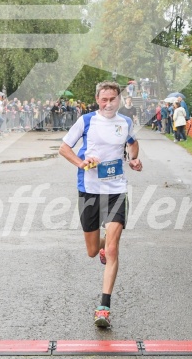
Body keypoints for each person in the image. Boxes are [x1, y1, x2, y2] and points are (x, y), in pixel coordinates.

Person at [59, 81, 142, 328]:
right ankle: (103, 245)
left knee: (114, 248)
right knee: (93, 250)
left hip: (116, 189)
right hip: (89, 190)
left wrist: (134, 160)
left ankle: (104, 307)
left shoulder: (125, 122)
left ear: (119, 99)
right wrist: (81, 162)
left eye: (113, 99)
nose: (108, 104)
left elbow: (133, 143)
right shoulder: (86, 121)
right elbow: (64, 148)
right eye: (104, 99)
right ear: (98, 99)